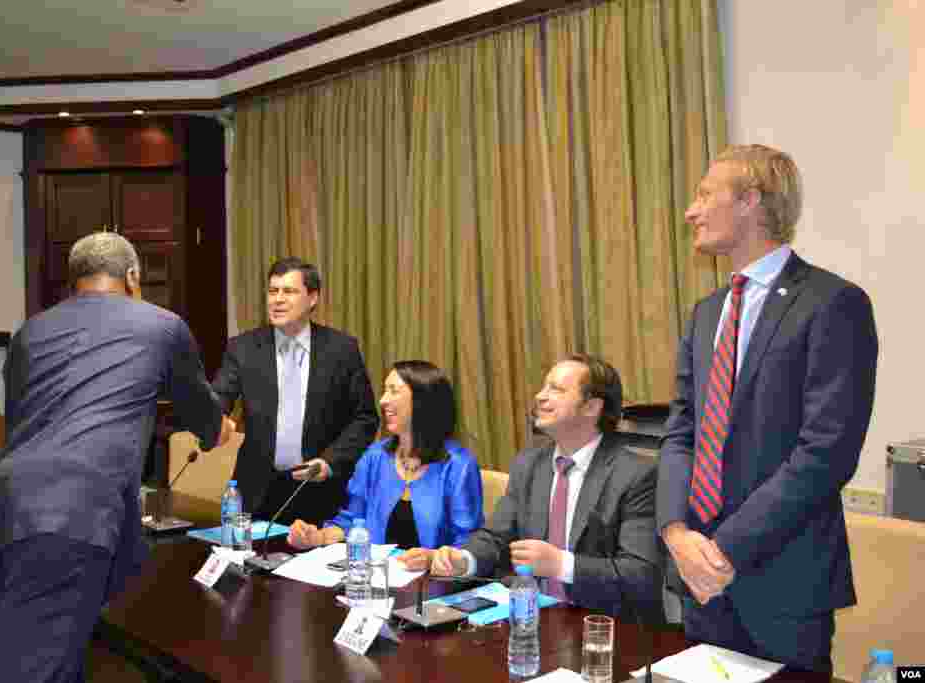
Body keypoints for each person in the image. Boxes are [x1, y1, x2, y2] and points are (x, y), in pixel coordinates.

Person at [0, 232, 234, 683]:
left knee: (40, 658)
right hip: (68, 520)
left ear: (76, 280)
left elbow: (21, 424)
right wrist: (219, 429)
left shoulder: (30, 332)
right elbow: (203, 416)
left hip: (2, 510)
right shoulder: (161, 326)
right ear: (132, 276)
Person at [657, 144, 878, 672]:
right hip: (700, 582)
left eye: (705, 194)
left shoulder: (833, 303)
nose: (691, 210)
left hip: (783, 584)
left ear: (751, 201)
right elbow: (681, 431)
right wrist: (675, 533)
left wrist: (724, 550)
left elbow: (825, 452)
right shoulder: (707, 313)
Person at [432, 354, 661, 619]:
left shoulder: (636, 474)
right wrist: (464, 560)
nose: (540, 397)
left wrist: (562, 565)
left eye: (556, 389)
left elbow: (641, 575)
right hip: (535, 619)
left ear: (591, 407)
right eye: (543, 387)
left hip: (607, 626)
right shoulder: (529, 464)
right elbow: (495, 538)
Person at [212, 257, 379, 526]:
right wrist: (215, 419)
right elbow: (220, 396)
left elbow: (365, 418)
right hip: (257, 491)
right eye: (272, 291)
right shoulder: (243, 348)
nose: (277, 299)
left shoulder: (341, 350)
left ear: (312, 298)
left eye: (288, 291)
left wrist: (330, 461)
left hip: (319, 489)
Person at [288, 360, 484, 570]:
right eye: (384, 391)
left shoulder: (458, 466)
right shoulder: (376, 456)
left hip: (434, 587)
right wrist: (317, 537)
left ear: (422, 399)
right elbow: (352, 521)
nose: (383, 400)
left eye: (393, 391)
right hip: (374, 582)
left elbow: (468, 545)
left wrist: (433, 557)